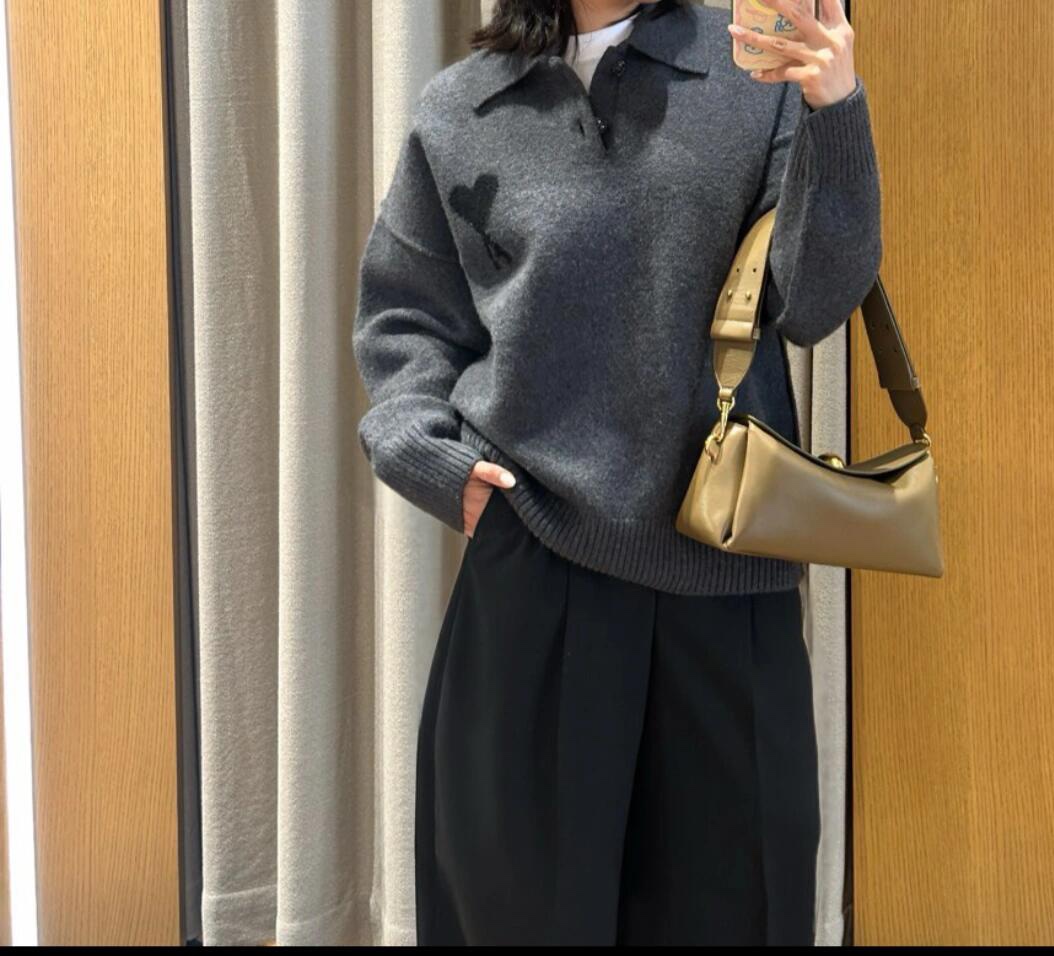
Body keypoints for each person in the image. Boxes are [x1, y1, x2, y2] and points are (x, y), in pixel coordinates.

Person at [351, 0, 879, 945]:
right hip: (532, 566)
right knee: (517, 917)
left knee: (736, 914)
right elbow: (406, 321)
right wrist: (434, 460)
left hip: (723, 580)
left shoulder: (752, 78)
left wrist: (833, 107)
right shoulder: (462, 108)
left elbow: (811, 303)